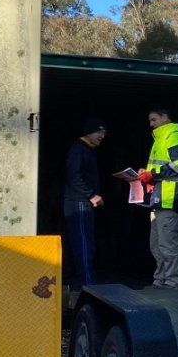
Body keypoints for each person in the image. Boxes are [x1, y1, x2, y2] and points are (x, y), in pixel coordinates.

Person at [137, 108, 178, 289]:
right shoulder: (161, 138)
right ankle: (160, 280)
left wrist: (151, 175)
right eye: (149, 120)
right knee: (157, 244)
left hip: (170, 198)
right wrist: (146, 174)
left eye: (154, 119)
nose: (151, 124)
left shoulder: (174, 136)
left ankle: (172, 282)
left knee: (168, 244)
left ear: (165, 117)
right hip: (159, 198)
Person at [63, 118, 107, 288]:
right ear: (88, 132)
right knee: (83, 243)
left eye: (104, 133)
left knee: (85, 241)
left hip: (82, 201)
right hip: (79, 202)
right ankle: (87, 283)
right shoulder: (78, 150)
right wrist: (91, 195)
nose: (102, 136)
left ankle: (85, 280)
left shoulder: (86, 150)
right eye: (99, 132)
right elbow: (74, 176)